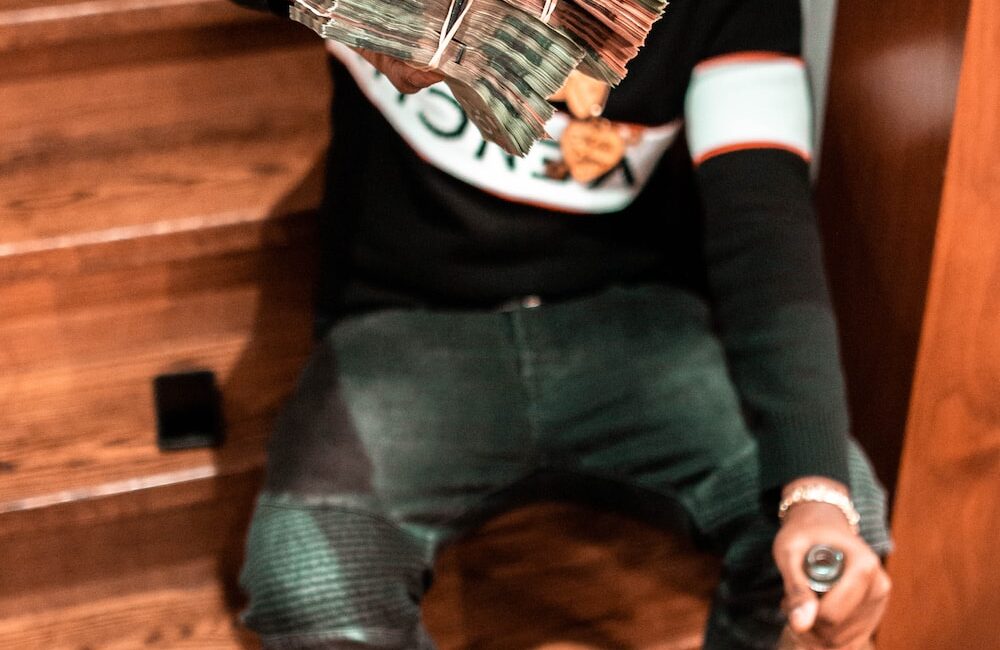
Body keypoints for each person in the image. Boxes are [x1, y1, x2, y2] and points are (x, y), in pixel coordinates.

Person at [228, 0, 893, 647]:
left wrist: (816, 489)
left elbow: (764, 226)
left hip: (634, 323)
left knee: (839, 528)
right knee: (307, 583)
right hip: (407, 322)